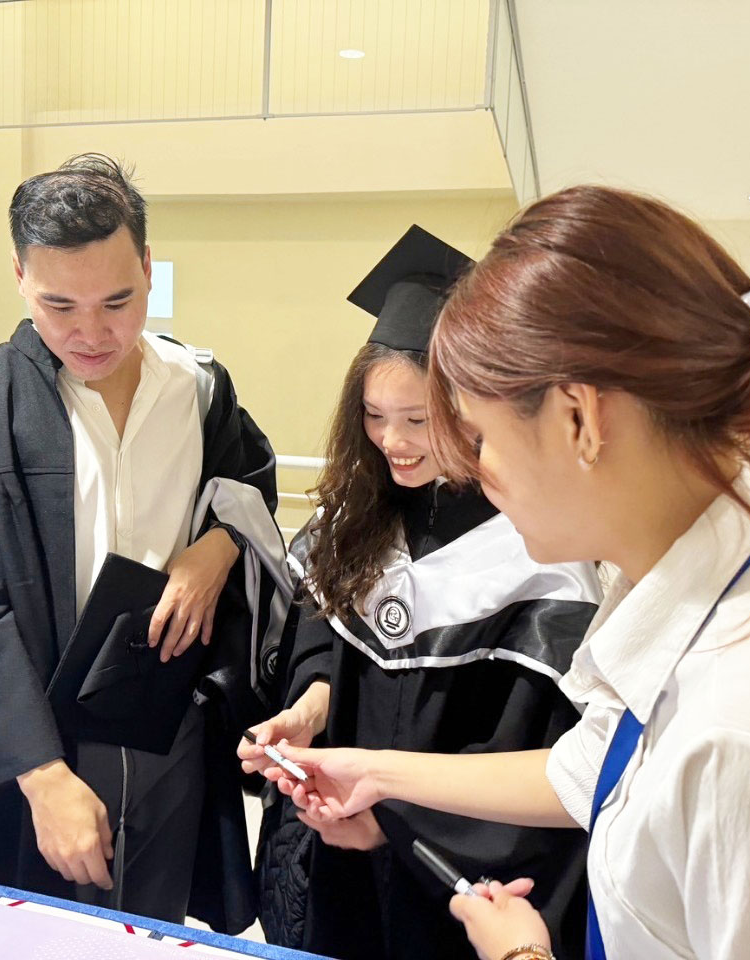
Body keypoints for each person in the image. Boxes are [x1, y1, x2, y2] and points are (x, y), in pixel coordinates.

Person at [263, 187, 750, 959]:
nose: (472, 471)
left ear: (579, 420)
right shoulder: (729, 564)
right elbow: (595, 765)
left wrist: (523, 957)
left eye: (478, 436)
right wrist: (375, 772)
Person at [0, 153, 284, 933]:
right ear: (19, 277)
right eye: (58, 304)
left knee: (159, 920)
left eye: (117, 301)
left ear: (149, 268)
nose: (91, 333)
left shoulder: (198, 386)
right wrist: (41, 778)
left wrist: (219, 547)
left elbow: (248, 481)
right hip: (47, 735)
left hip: (171, 712)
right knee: (44, 931)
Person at [241, 226, 600, 960]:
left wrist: (397, 818)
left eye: (417, 420)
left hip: (451, 873)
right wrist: (309, 709)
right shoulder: (356, 516)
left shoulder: (536, 547)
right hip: (340, 837)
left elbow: (535, 749)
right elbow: (322, 637)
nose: (393, 443)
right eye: (374, 417)